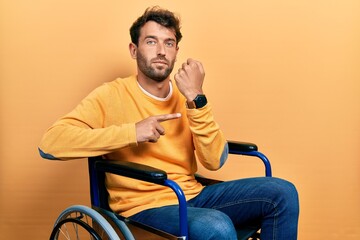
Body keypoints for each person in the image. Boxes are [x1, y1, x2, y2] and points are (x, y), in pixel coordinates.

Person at [39, 6, 299, 239]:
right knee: (215, 226)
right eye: (151, 42)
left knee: (283, 193)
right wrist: (132, 132)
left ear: (176, 51)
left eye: (169, 43)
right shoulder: (111, 95)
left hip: (192, 195)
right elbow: (50, 144)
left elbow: (215, 161)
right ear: (134, 49)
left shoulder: (187, 94)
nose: (161, 51)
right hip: (144, 205)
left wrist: (197, 99)